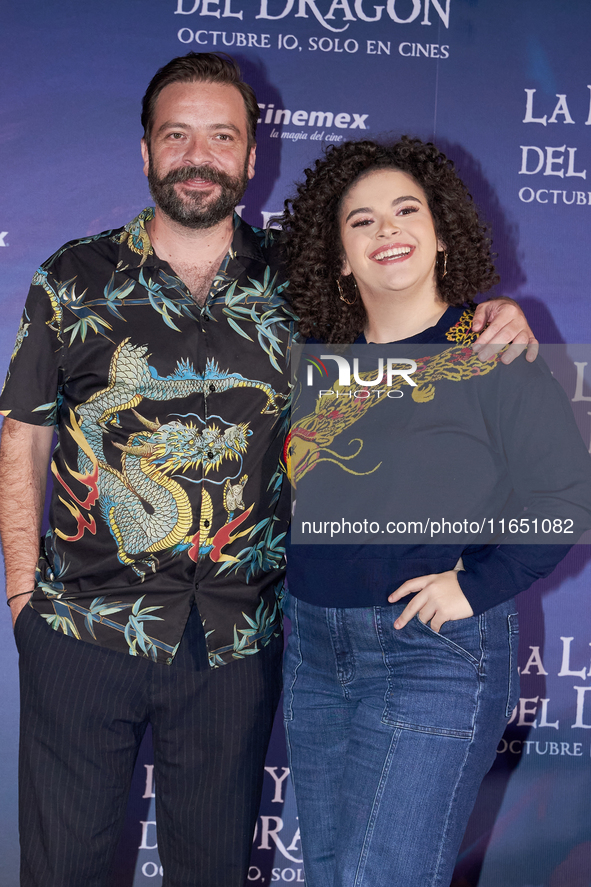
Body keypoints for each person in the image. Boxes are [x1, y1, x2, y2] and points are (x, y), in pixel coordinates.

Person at [0, 52, 536, 886]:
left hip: (237, 641)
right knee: (61, 869)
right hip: (82, 631)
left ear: (253, 156)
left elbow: (415, 321)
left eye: (223, 135)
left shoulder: (307, 281)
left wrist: (489, 319)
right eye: (176, 134)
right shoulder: (73, 279)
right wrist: (22, 593)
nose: (198, 154)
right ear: (145, 151)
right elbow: (23, 434)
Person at [280, 137, 591, 887]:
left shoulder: (492, 350)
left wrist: (473, 585)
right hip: (314, 655)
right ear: (339, 257)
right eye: (360, 221)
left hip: (432, 656)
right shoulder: (315, 363)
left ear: (441, 232)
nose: (386, 230)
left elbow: (567, 499)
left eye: (405, 210)